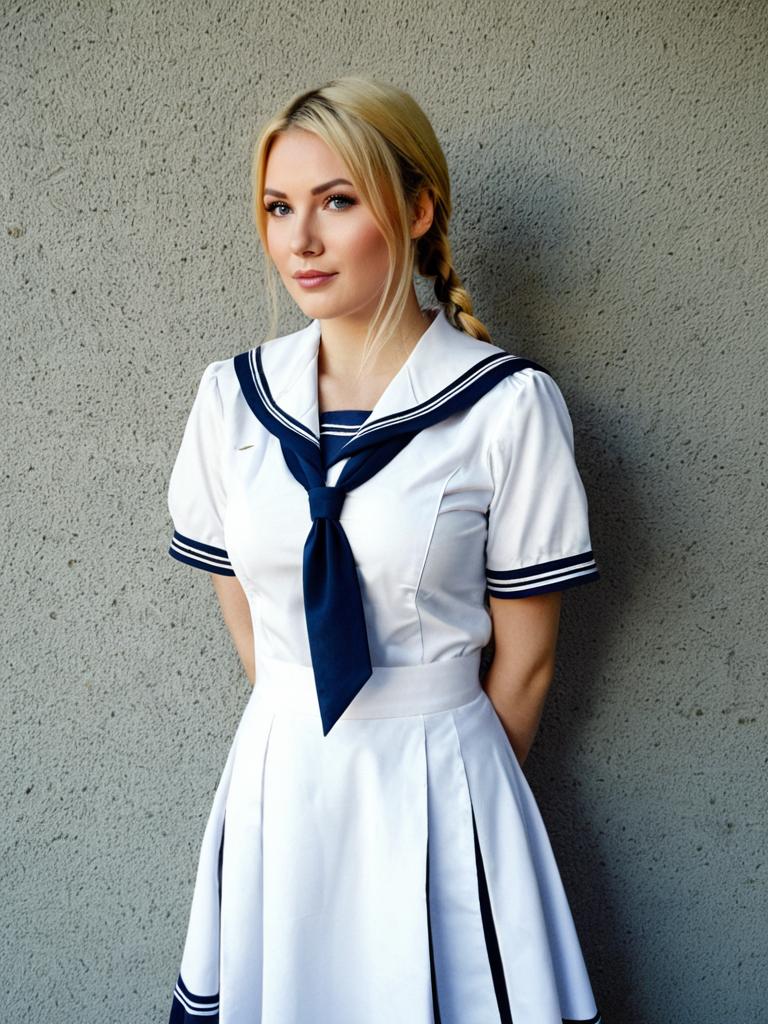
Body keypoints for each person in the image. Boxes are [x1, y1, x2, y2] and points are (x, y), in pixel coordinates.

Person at [165, 75, 604, 1024]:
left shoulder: (505, 406)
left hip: (445, 785)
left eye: (337, 202)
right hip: (283, 782)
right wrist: (310, 745)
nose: (300, 240)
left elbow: (525, 668)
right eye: (280, 207)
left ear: (415, 209)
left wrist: (442, 792)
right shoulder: (229, 401)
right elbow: (250, 616)